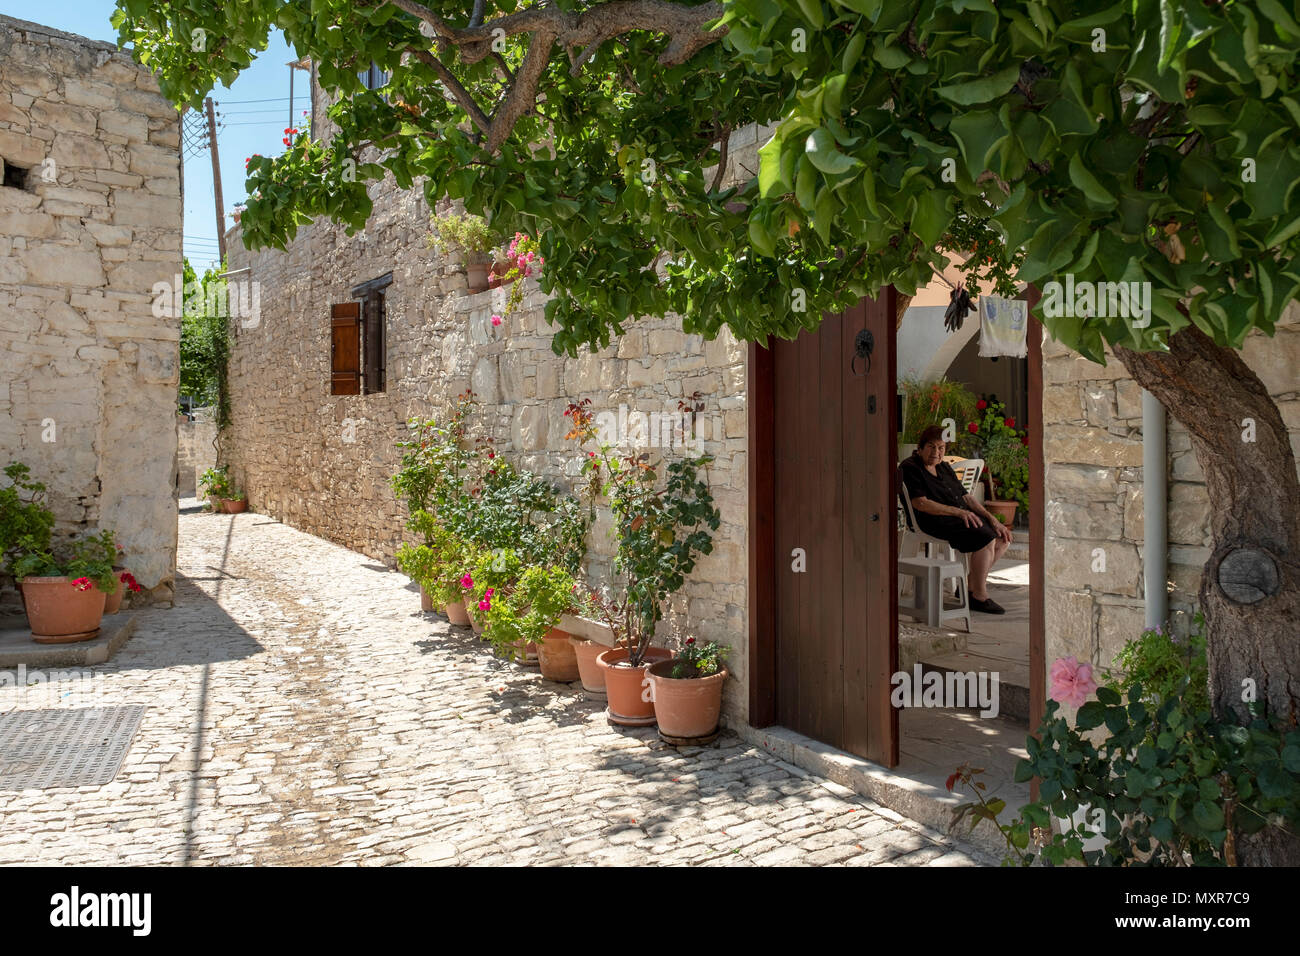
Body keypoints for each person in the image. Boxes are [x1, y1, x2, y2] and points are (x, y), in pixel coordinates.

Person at [900, 424, 1012, 614]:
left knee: (1002, 538)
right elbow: (921, 503)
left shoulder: (943, 467)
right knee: (986, 539)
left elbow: (966, 497)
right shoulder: (910, 467)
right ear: (920, 448)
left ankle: (968, 587)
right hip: (932, 520)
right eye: (931, 446)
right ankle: (980, 596)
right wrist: (959, 512)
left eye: (941, 447)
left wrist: (992, 519)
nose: (936, 452)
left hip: (956, 517)